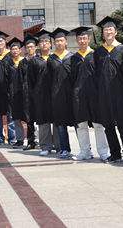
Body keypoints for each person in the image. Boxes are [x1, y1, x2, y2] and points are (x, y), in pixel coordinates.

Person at [94, 16, 123, 164]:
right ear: (102, 33)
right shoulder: (99, 52)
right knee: (108, 125)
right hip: (103, 94)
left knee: (122, 125)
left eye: (110, 29)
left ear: (115, 32)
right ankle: (115, 153)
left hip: (119, 93)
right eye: (105, 30)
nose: (108, 31)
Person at [70, 26, 109, 162]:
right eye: (80, 38)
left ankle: (103, 152)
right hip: (79, 96)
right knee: (81, 125)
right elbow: (71, 79)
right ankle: (85, 151)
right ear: (76, 40)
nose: (82, 40)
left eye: (84, 38)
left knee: (98, 125)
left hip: (95, 95)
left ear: (89, 39)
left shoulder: (95, 54)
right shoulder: (74, 58)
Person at [48, 28, 74, 159]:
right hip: (57, 95)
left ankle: (85, 149)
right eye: (57, 41)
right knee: (61, 124)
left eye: (61, 40)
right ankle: (65, 148)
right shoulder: (51, 59)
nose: (59, 43)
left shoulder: (72, 57)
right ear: (54, 43)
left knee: (77, 122)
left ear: (66, 42)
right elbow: (48, 79)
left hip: (71, 95)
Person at [30, 30, 54, 156]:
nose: (44, 44)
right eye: (42, 42)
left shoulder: (55, 58)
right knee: (43, 121)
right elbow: (31, 80)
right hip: (41, 95)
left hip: (55, 94)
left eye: (46, 41)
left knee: (57, 120)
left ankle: (59, 145)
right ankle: (45, 146)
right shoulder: (34, 61)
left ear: (50, 44)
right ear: (38, 45)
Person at [8, 39, 28, 147]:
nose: (15, 51)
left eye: (16, 49)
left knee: (28, 117)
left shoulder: (24, 62)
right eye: (13, 49)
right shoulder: (8, 63)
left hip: (24, 94)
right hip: (13, 94)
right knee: (16, 118)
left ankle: (32, 138)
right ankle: (20, 139)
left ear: (20, 50)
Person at [21, 36, 38, 150]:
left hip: (39, 93)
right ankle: (31, 141)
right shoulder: (23, 62)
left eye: (32, 47)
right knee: (29, 119)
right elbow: (20, 79)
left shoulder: (40, 60)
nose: (30, 49)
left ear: (35, 47)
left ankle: (43, 141)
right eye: (28, 47)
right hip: (27, 93)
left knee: (42, 118)